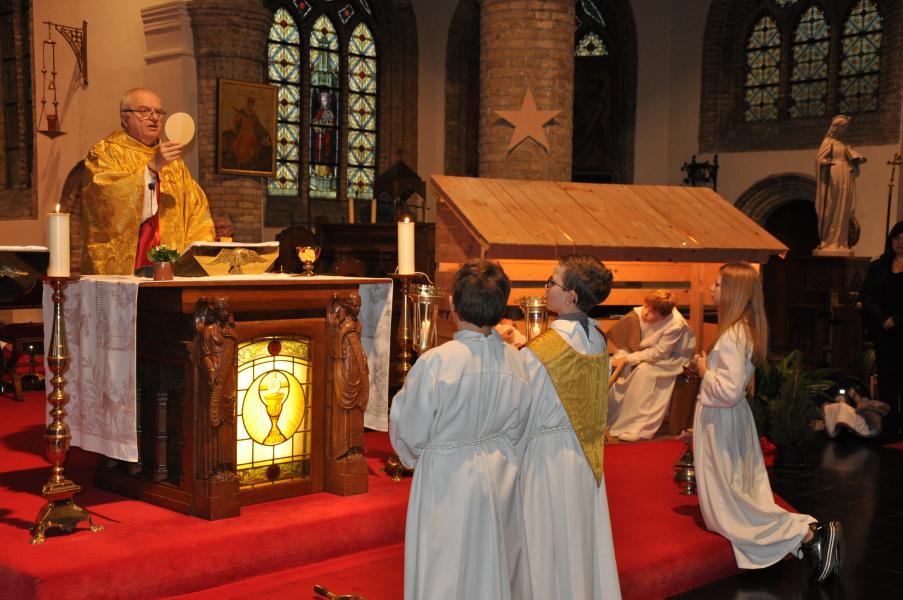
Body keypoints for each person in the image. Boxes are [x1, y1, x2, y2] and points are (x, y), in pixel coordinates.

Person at [691, 263, 843, 582]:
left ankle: (807, 534)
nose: (711, 289)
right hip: (726, 418)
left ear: (734, 292)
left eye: (718, 284)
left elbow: (728, 391)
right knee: (734, 497)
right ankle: (807, 543)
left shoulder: (733, 334)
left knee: (730, 507)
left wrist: (704, 369)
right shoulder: (742, 329)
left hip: (722, 419)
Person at [390, 260, 532, 600]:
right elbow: (521, 429)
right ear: (501, 309)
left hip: (447, 477)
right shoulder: (516, 360)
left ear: (451, 305)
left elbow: (409, 427)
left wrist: (412, 458)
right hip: (501, 473)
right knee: (495, 560)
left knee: (445, 566)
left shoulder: (438, 362)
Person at [518, 255, 621, 599]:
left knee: (547, 544)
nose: (545, 288)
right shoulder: (599, 340)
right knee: (580, 541)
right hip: (585, 458)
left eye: (552, 283)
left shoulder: (542, 350)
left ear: (571, 296)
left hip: (545, 459)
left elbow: (522, 412)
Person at [81, 87, 215, 275]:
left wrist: (195, 255)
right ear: (124, 118)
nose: (154, 117)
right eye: (144, 111)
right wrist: (152, 169)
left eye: (159, 112)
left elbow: (196, 209)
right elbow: (103, 204)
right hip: (129, 267)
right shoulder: (105, 153)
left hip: (171, 271)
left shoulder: (174, 162)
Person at [607, 290, 696, 441]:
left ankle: (641, 427)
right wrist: (623, 357)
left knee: (645, 373)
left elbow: (659, 353)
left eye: (652, 311)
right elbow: (625, 338)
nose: (645, 312)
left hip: (672, 359)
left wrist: (630, 358)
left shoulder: (675, 325)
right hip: (643, 353)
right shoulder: (638, 313)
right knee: (616, 369)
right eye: (646, 306)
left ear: (664, 315)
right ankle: (611, 418)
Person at [859, 221, 903, 435]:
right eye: (897, 238)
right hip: (883, 332)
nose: (901, 243)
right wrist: (883, 318)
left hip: (900, 328)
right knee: (886, 378)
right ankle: (890, 426)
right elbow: (866, 295)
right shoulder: (879, 266)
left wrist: (896, 319)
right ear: (891, 240)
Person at [815, 114, 867, 251]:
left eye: (846, 127)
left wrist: (856, 162)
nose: (844, 130)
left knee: (844, 209)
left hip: (846, 176)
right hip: (834, 176)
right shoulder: (828, 143)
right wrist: (828, 163)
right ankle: (829, 240)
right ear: (835, 128)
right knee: (833, 207)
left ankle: (841, 241)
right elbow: (820, 159)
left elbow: (852, 160)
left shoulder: (844, 145)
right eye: (842, 127)